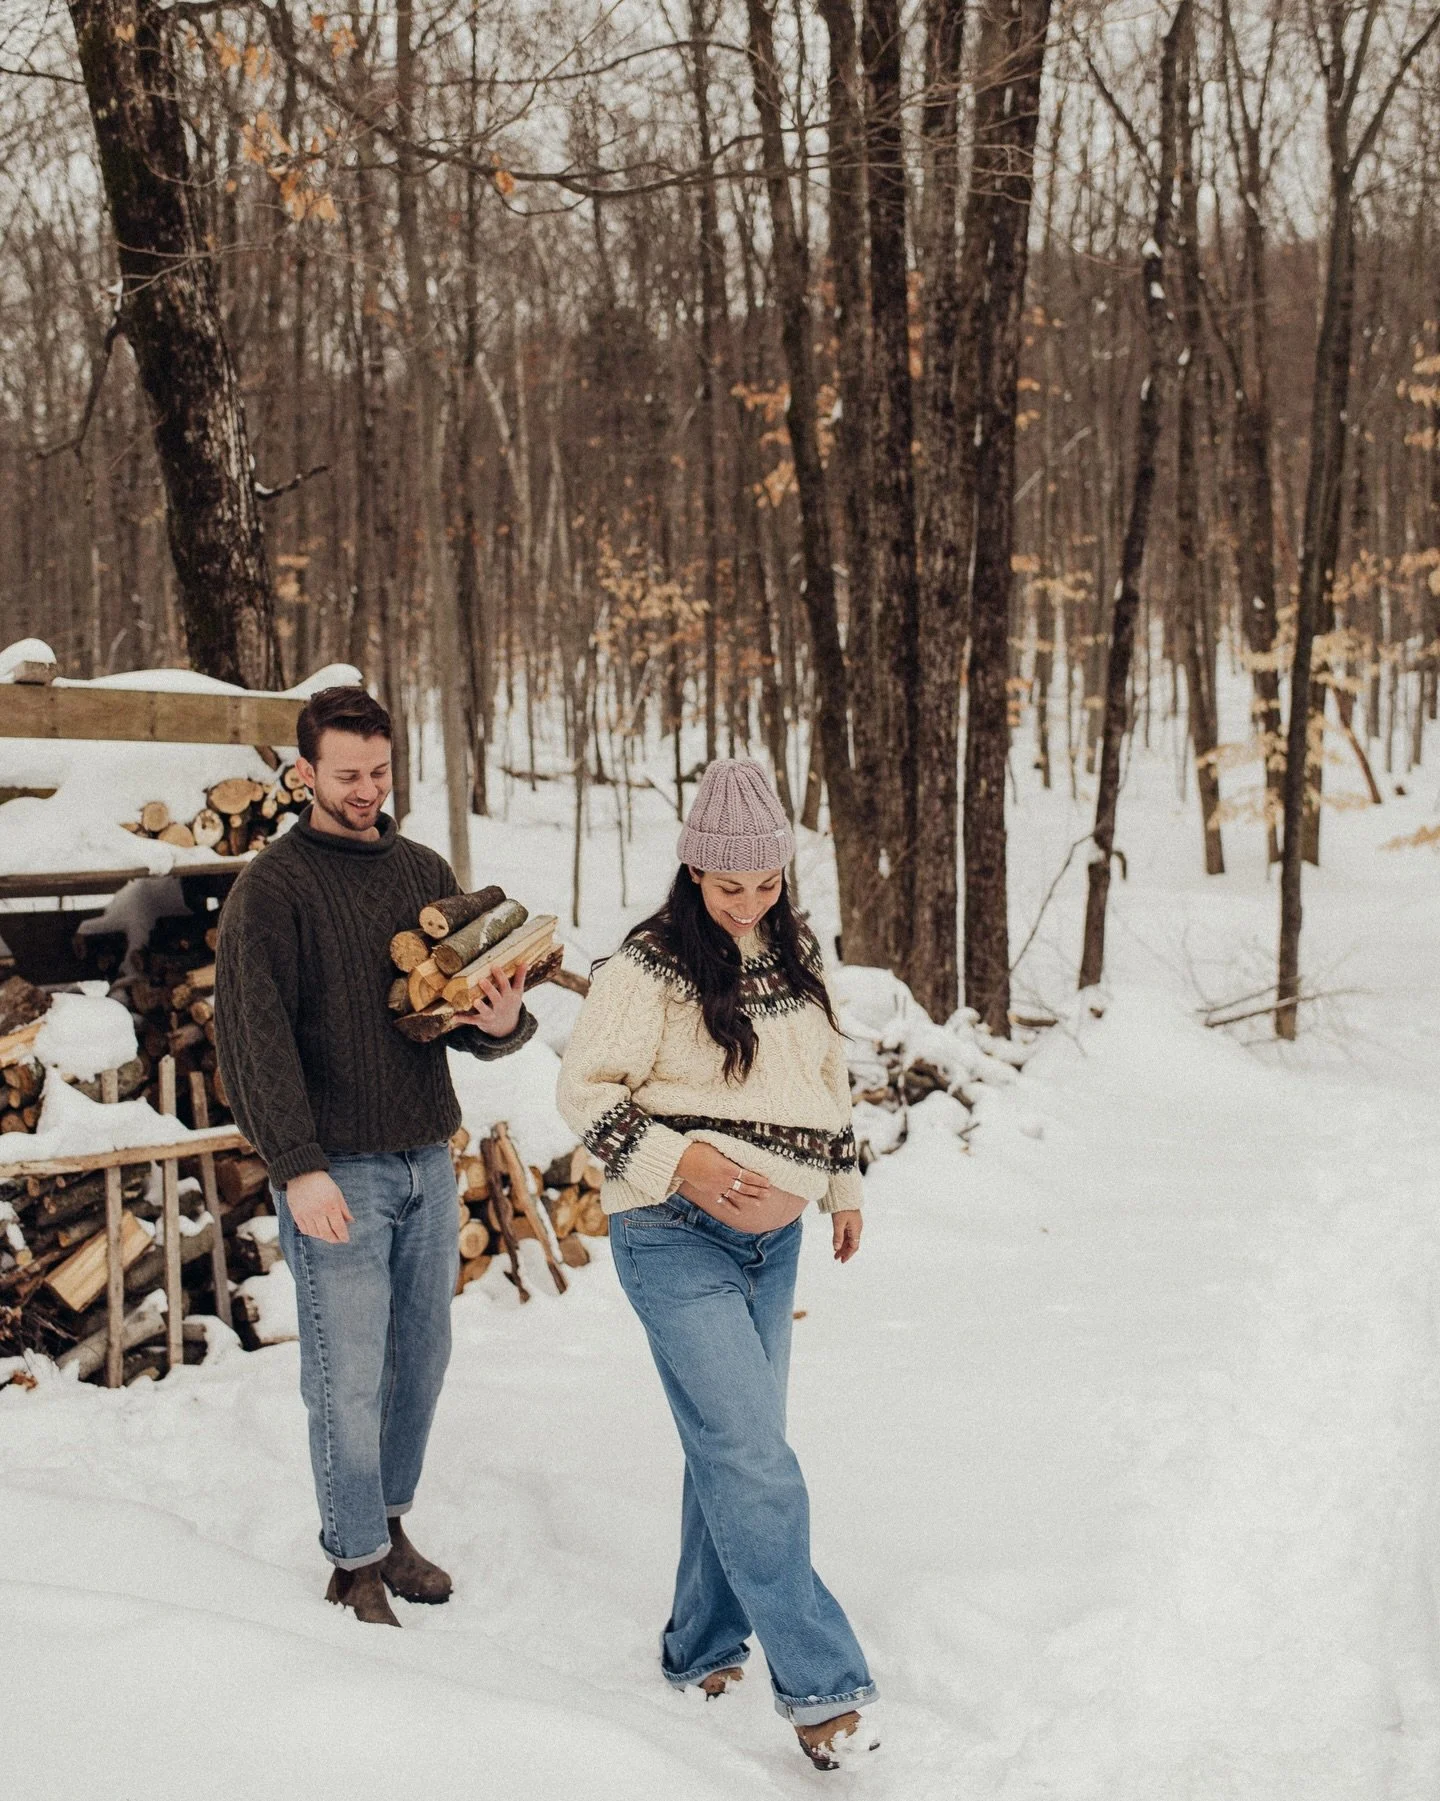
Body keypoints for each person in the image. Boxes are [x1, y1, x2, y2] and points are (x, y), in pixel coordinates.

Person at [557, 758, 877, 1771]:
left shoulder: (791, 959)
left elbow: (827, 1080)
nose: (750, 902)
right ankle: (822, 1686)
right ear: (694, 870)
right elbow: (585, 1093)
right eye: (730, 885)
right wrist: (682, 1161)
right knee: (751, 1456)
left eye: (768, 882)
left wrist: (842, 1184)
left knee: (732, 1445)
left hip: (773, 1243)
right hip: (672, 1236)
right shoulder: (643, 969)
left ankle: (700, 1643)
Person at [215, 685, 534, 1627]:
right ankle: (351, 1559)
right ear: (304, 771)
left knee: (420, 1357)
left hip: (425, 1158)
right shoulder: (271, 890)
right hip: (336, 1169)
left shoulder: (422, 869)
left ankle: (390, 1523)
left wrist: (504, 1023)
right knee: (344, 1370)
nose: (366, 789)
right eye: (347, 774)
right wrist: (297, 1163)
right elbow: (251, 1040)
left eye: (380, 771)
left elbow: (458, 1008)